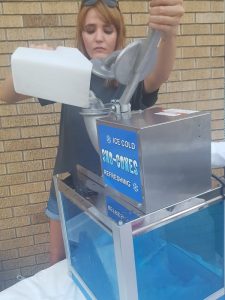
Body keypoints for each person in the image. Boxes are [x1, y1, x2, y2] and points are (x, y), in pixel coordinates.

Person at [0, 0, 184, 264]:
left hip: (114, 195)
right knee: (59, 258)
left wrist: (169, 32)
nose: (98, 38)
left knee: (109, 262)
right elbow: (5, 95)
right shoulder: (69, 74)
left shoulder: (130, 79)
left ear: (118, 34)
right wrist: (31, 63)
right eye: (90, 29)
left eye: (107, 30)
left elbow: (159, 75)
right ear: (81, 34)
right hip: (68, 186)